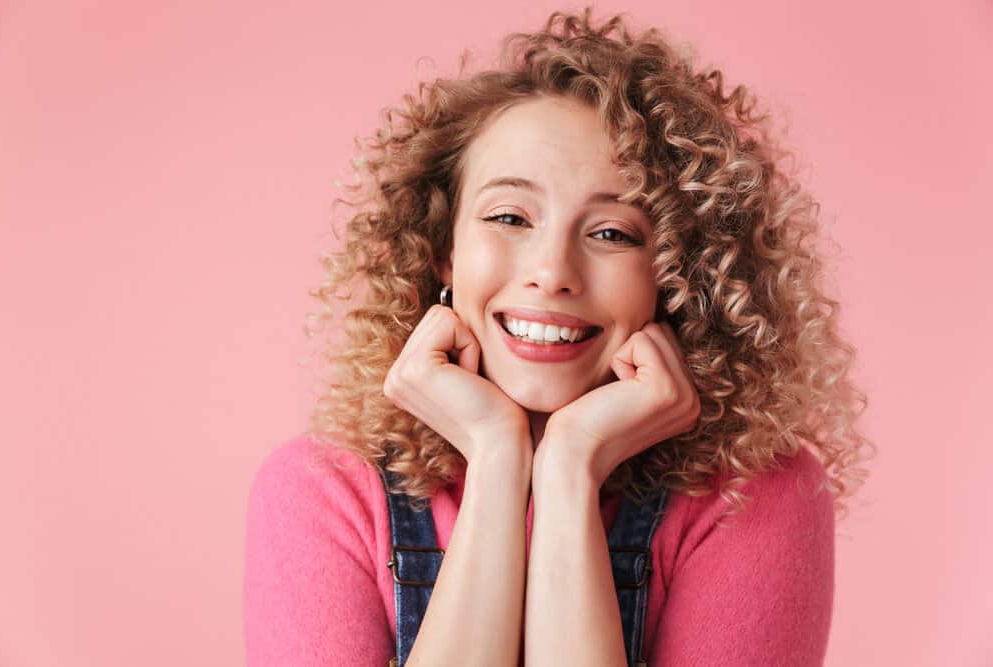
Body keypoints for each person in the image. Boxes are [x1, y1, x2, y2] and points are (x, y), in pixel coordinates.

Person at [244, 7, 873, 666]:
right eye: (510, 216)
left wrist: (569, 467)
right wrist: (496, 457)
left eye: (611, 232)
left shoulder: (756, 494)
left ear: (678, 273)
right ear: (443, 252)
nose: (552, 273)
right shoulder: (322, 493)